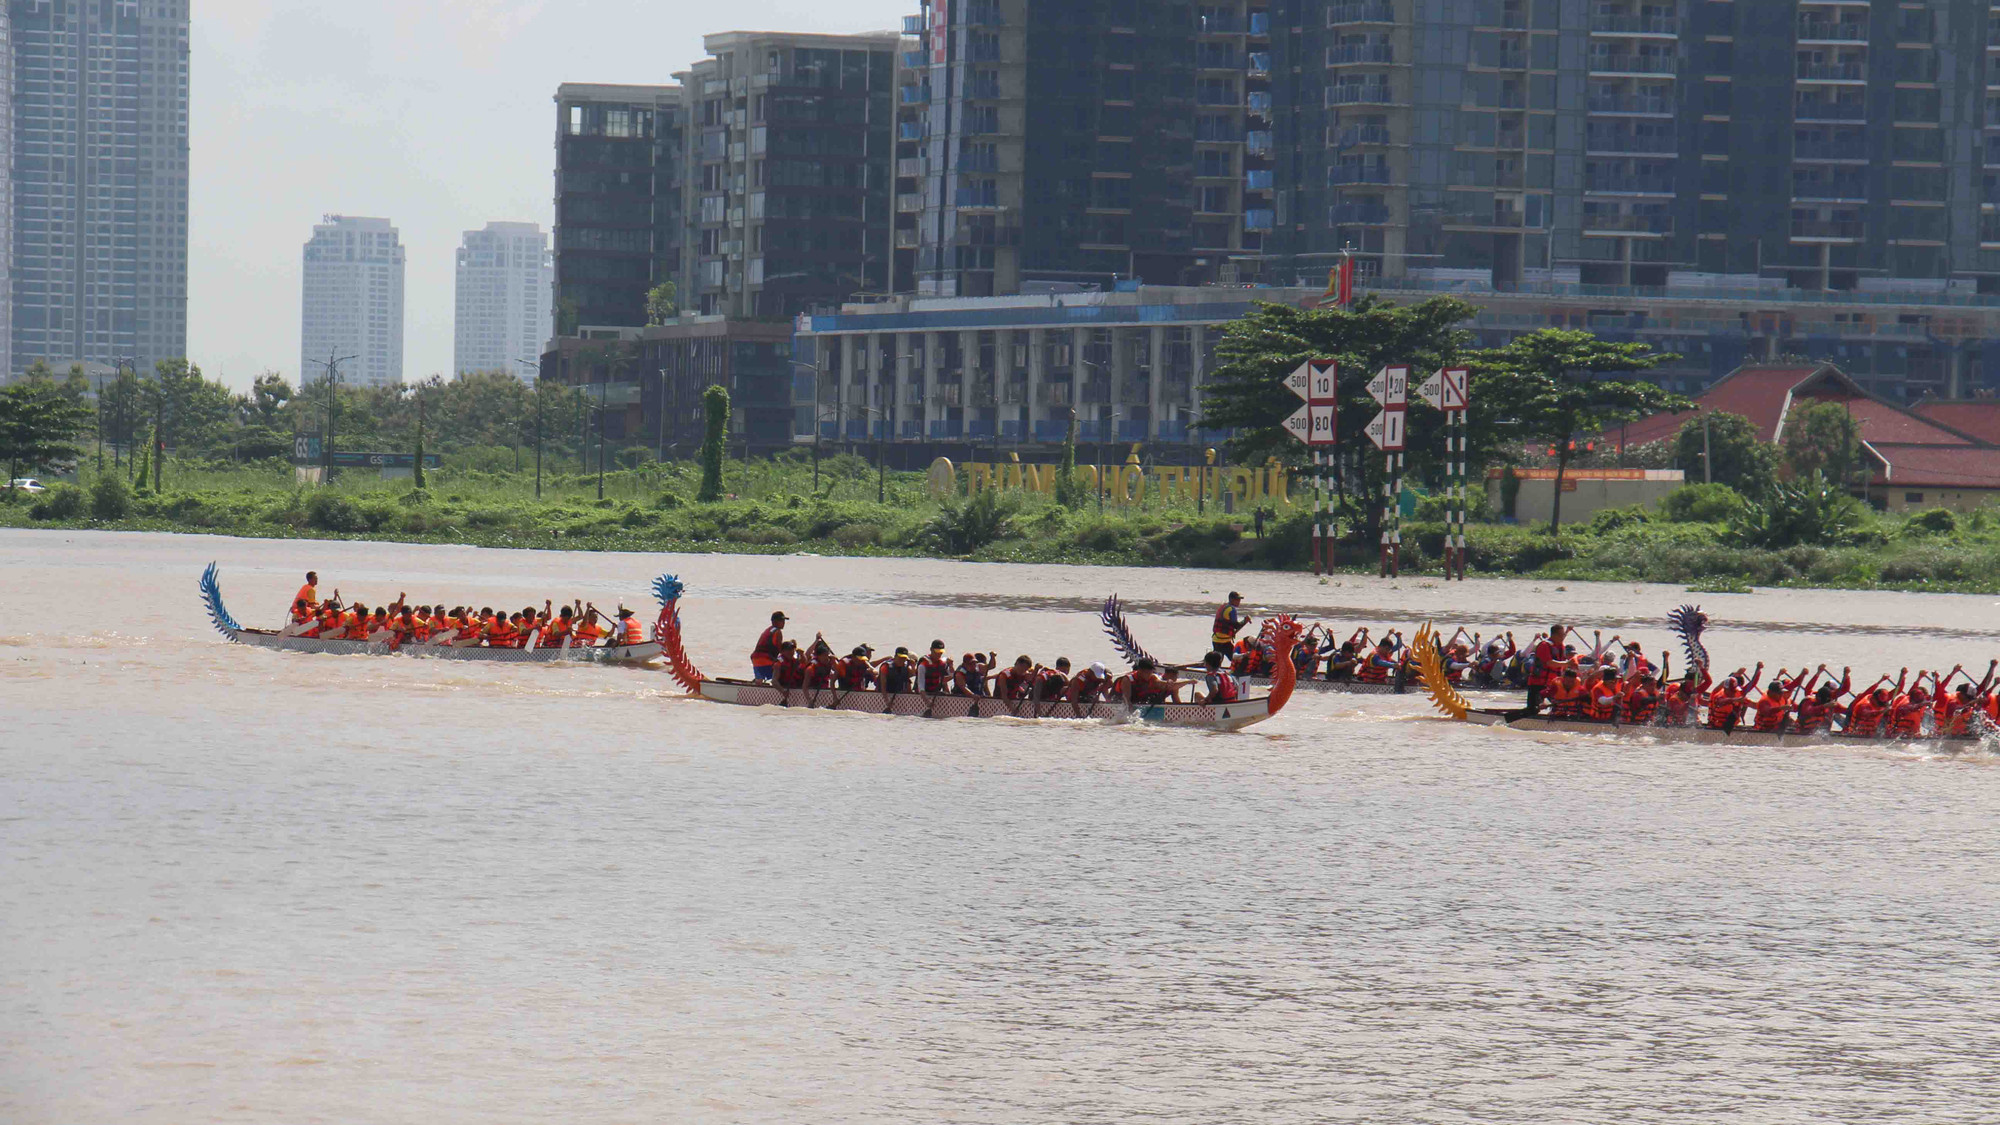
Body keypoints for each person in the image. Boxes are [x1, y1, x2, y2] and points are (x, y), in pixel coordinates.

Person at [1524, 624, 1568, 715]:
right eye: (1561, 635)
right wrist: (1568, 663)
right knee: (1532, 710)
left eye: (1563, 635)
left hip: (1552, 683)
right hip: (1538, 683)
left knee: (1560, 705)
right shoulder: (1544, 645)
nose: (1563, 637)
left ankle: (1555, 719)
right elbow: (1549, 663)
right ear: (1554, 635)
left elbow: (1563, 665)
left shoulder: (1561, 647)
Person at [752, 611, 788, 681]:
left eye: (783, 620)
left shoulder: (768, 630)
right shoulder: (778, 632)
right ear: (774, 621)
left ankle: (758, 682)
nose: (783, 622)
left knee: (760, 679)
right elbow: (781, 650)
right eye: (781, 620)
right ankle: (779, 687)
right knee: (785, 668)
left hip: (755, 658)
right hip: (765, 659)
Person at [1211, 592, 1250, 657]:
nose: (1239, 602)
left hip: (1216, 640)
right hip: (1224, 641)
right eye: (1237, 600)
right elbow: (1236, 625)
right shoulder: (1232, 610)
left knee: (1217, 661)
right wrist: (1245, 621)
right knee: (1235, 659)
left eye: (1239, 600)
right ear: (1231, 599)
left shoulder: (1223, 606)